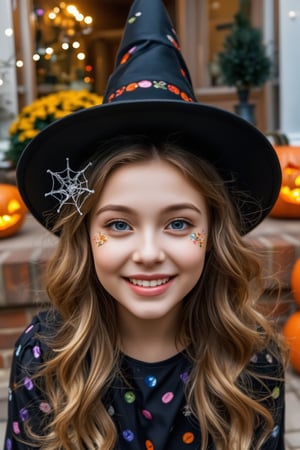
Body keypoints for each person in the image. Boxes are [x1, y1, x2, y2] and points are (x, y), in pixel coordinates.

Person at [4, 1, 286, 449]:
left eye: (178, 223)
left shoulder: (249, 362)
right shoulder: (46, 355)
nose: (150, 252)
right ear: (86, 236)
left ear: (213, 232)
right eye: (118, 225)